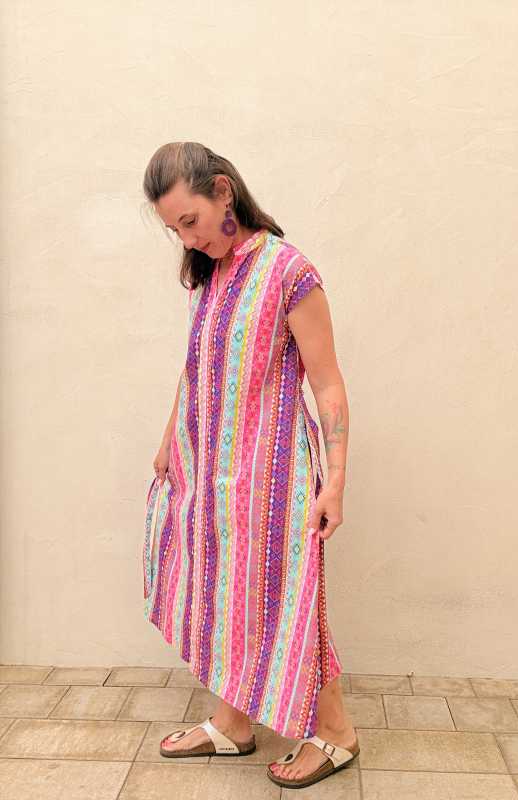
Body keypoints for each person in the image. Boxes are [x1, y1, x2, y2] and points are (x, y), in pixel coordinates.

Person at [141, 141, 359, 788]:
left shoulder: (291, 272)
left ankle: (339, 734)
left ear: (223, 193)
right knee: (224, 593)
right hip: (211, 473)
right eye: (174, 228)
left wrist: (338, 478)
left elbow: (328, 387)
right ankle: (234, 724)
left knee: (285, 601)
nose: (186, 236)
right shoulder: (207, 275)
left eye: (191, 220)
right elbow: (196, 369)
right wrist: (167, 442)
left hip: (275, 481)